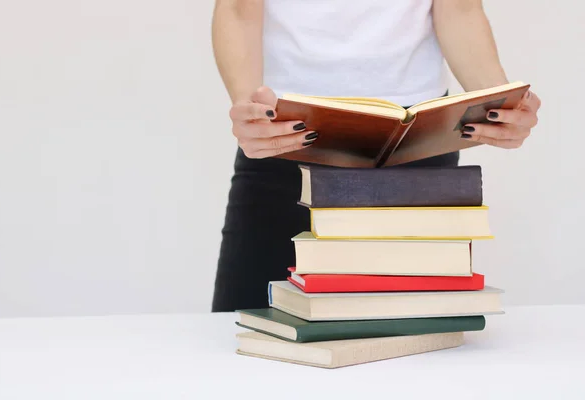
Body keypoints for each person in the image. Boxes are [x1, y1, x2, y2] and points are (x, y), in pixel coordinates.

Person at [209, 0, 541, 312]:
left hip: (418, 135)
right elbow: (239, 9)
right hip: (284, 131)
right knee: (248, 325)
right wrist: (250, 110)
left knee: (420, 343)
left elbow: (459, 9)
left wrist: (498, 102)